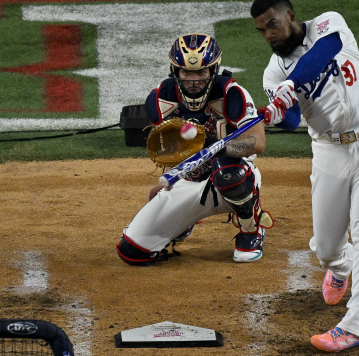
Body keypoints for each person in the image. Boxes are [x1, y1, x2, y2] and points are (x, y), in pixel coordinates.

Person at [250, 0, 359, 352]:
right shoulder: (273, 72)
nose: (270, 35)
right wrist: (281, 112)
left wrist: (291, 86)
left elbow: (321, 54)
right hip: (330, 151)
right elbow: (295, 118)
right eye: (262, 31)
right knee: (328, 249)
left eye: (274, 25)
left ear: (291, 16)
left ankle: (354, 323)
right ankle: (340, 268)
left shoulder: (329, 24)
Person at [116, 33, 273, 265]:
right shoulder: (161, 99)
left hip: (233, 176)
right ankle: (182, 222)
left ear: (213, 70)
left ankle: (251, 229)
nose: (194, 80)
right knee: (132, 251)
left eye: (201, 72)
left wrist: (214, 146)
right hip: (188, 181)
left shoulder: (232, 94)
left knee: (228, 171)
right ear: (175, 71)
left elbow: (257, 142)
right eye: (187, 72)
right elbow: (172, 152)